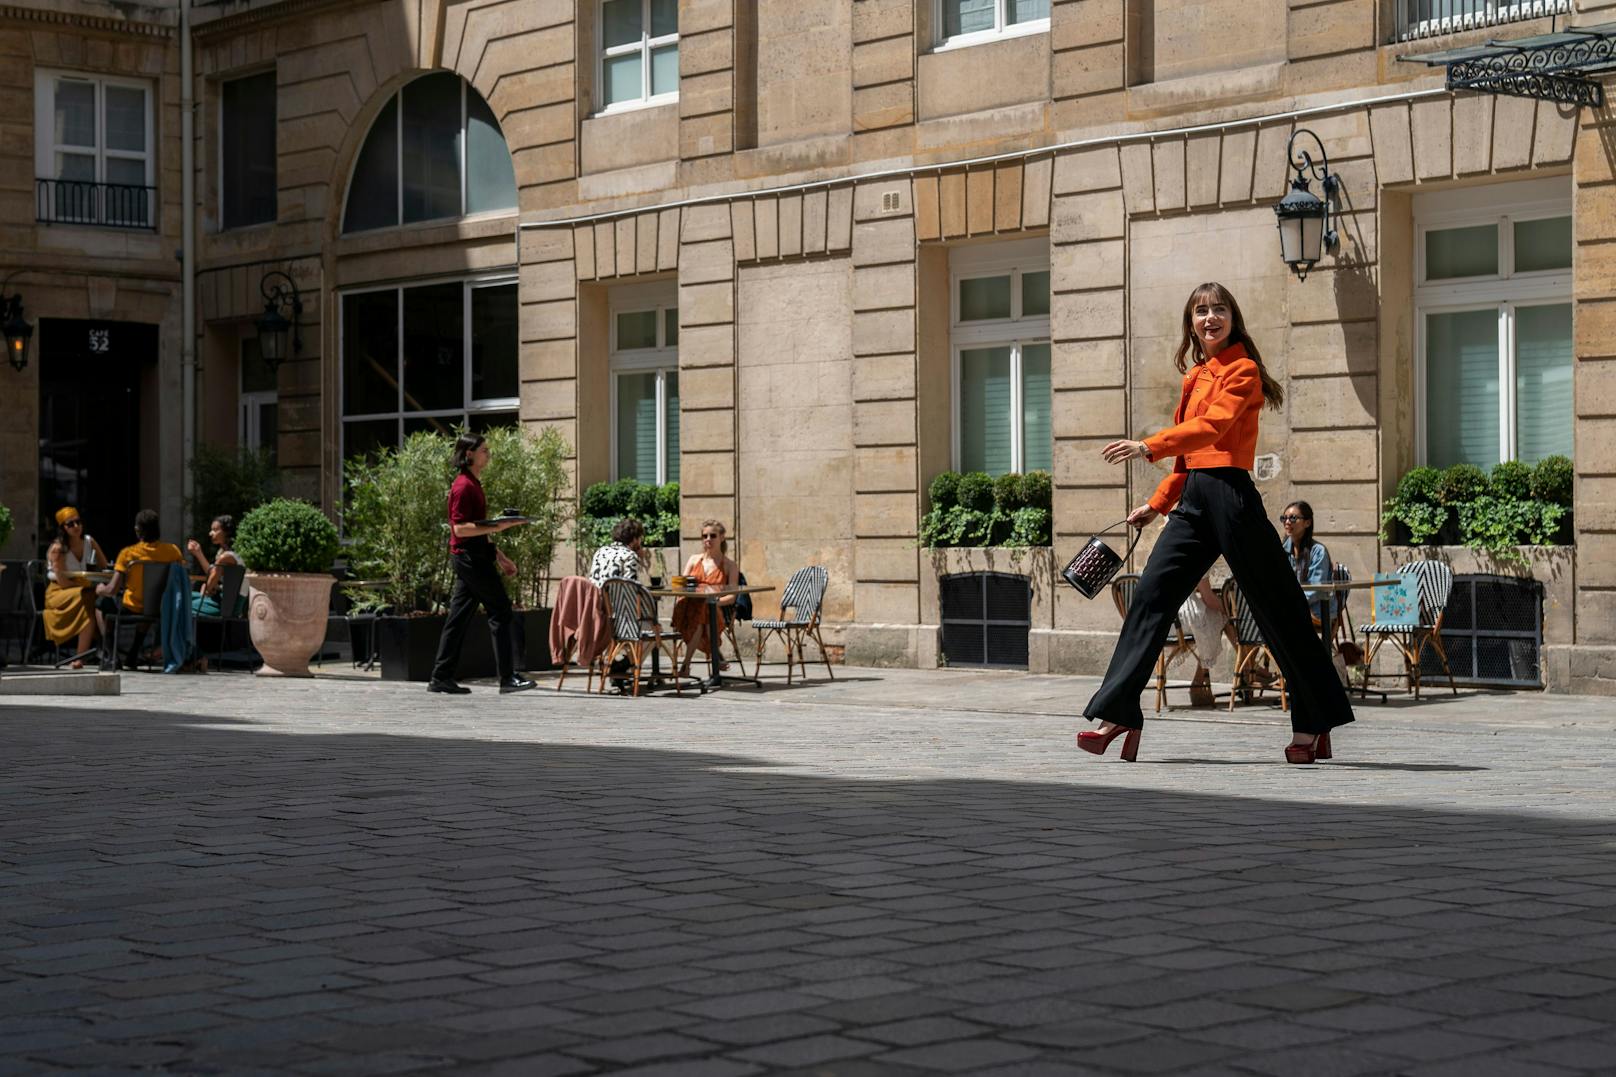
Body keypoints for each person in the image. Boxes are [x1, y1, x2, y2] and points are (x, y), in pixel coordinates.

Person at [1079, 282, 1355, 764]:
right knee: (1150, 596)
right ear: (1191, 324)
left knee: (1279, 609)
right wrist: (1159, 502)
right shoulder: (1197, 375)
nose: (1210, 317)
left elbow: (1214, 429)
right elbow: (1188, 457)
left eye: (1219, 309)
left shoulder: (1242, 370)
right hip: (1193, 501)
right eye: (1201, 311)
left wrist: (1148, 445)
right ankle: (1119, 711)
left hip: (1231, 496)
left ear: (1233, 317)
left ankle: (1314, 721)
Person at [428, 433, 535, 695]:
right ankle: (508, 678)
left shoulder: (473, 483)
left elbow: (478, 529)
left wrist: (501, 557)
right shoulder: (464, 486)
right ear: (469, 455)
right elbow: (461, 529)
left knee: (458, 618)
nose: (488, 454)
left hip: (473, 556)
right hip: (470, 559)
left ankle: (440, 677)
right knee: (500, 610)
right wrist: (500, 526)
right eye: (484, 450)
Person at [96, 509, 186, 667]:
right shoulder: (173, 551)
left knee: (101, 604)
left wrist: (99, 589)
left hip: (131, 607)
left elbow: (112, 590)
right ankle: (133, 653)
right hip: (158, 607)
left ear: (137, 530)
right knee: (148, 605)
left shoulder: (128, 554)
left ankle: (111, 654)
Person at [43, 506, 109, 668]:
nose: (76, 526)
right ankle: (98, 649)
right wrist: (87, 584)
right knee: (91, 596)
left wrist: (95, 577)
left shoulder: (89, 541)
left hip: (82, 590)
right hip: (58, 592)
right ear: (63, 528)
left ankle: (84, 655)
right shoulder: (58, 548)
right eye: (70, 524)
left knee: (93, 604)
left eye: (78, 522)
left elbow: (104, 565)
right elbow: (63, 582)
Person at [673, 518, 739, 677]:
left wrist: (715, 601)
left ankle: (686, 665)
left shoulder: (730, 565)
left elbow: (732, 597)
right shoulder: (694, 560)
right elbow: (680, 586)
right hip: (688, 607)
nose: (708, 540)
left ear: (722, 537)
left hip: (714, 607)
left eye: (713, 536)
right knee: (701, 612)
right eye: (705, 536)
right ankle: (716, 653)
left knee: (704, 614)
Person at [1279, 500, 1332, 628]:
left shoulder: (1318, 552)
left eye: (1293, 518)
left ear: (1307, 522)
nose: (1287, 522)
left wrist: (1289, 603)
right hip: (1290, 609)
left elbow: (1316, 589)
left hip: (1316, 610)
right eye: (1284, 518)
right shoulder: (1281, 550)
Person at [187, 515, 247, 617]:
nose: (210, 533)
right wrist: (198, 553)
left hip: (227, 605)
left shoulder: (227, 557)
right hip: (222, 599)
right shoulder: (225, 553)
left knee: (181, 603)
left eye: (215, 530)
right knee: (187, 596)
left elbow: (210, 584)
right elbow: (213, 573)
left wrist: (207, 588)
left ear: (226, 532)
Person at [589, 517, 648, 587]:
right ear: (635, 538)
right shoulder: (630, 555)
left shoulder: (600, 552)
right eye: (640, 538)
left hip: (594, 597)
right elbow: (631, 589)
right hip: (613, 598)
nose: (640, 542)